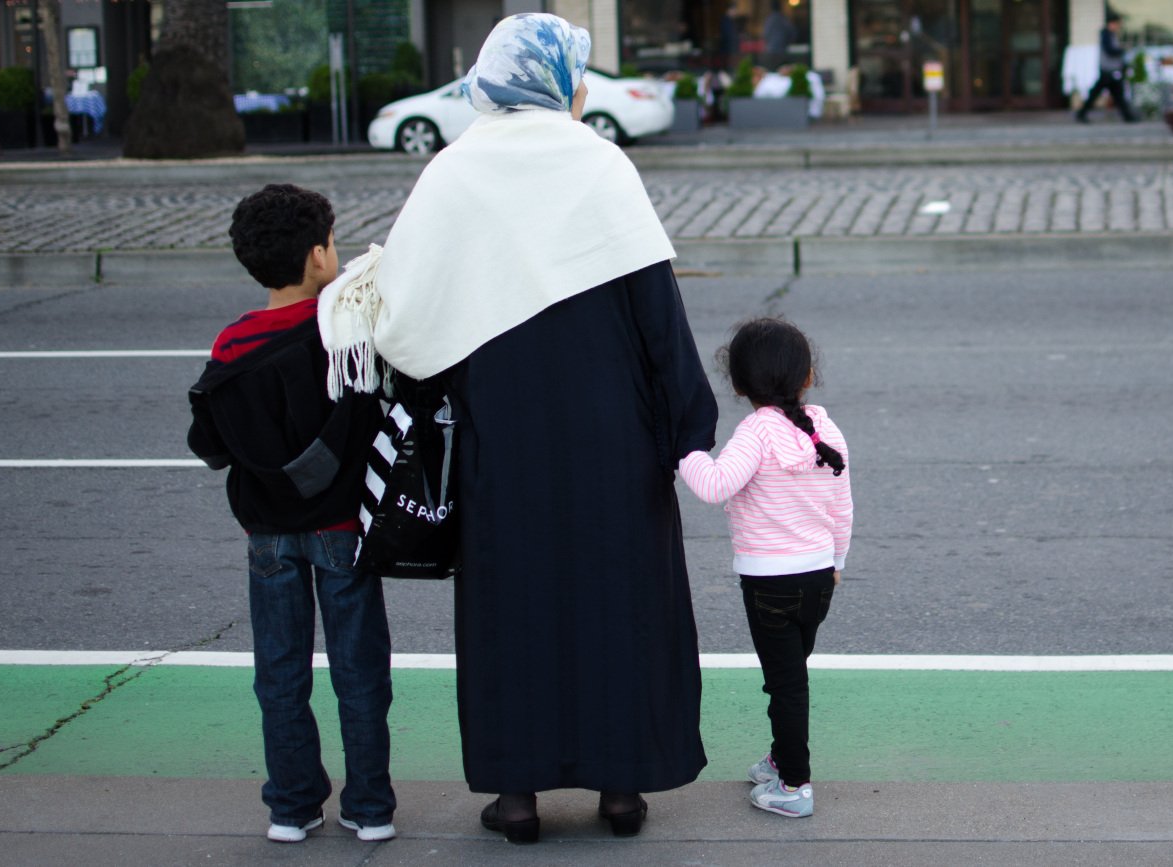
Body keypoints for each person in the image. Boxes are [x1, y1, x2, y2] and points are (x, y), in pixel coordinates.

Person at [320, 12, 717, 845]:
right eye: (577, 75)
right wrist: (685, 424)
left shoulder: (453, 172)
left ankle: (517, 797)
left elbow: (409, 320)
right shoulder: (599, 164)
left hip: (500, 437)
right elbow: (657, 312)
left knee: (512, 611)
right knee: (621, 605)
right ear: (558, 81)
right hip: (614, 437)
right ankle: (620, 787)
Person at [186, 184, 396, 844]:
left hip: (267, 535)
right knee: (359, 673)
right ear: (316, 256)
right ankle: (368, 806)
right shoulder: (344, 338)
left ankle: (292, 805)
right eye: (332, 241)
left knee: (279, 672)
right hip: (341, 529)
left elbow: (209, 443)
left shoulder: (231, 345)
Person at [677, 317, 852, 820]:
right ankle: (781, 758)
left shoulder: (755, 432)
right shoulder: (825, 425)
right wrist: (837, 559)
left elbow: (713, 485)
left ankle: (795, 785)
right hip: (820, 578)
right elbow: (842, 505)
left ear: (737, 385)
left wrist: (682, 451)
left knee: (786, 684)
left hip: (769, 583)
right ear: (808, 375)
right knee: (790, 676)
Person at [1076, 12, 1138, 123]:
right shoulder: (1106, 35)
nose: (1119, 27)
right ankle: (1082, 113)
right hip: (1108, 70)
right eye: (1118, 24)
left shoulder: (1110, 35)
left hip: (1111, 70)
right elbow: (1110, 50)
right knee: (1105, 94)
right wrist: (1122, 50)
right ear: (1112, 23)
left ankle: (1128, 116)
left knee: (1117, 94)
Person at [762, 0, 796, 72]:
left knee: (772, 72)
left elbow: (765, 34)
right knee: (782, 72)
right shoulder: (783, 19)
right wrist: (787, 42)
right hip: (782, 50)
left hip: (771, 50)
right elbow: (792, 33)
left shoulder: (769, 20)